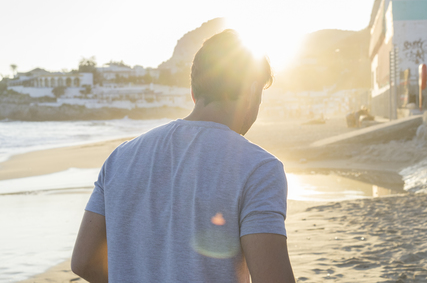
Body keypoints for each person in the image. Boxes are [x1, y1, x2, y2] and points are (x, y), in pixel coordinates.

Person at [71, 29, 296, 283]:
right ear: (252, 91)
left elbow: (84, 261)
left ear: (194, 92)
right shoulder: (259, 168)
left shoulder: (120, 158)